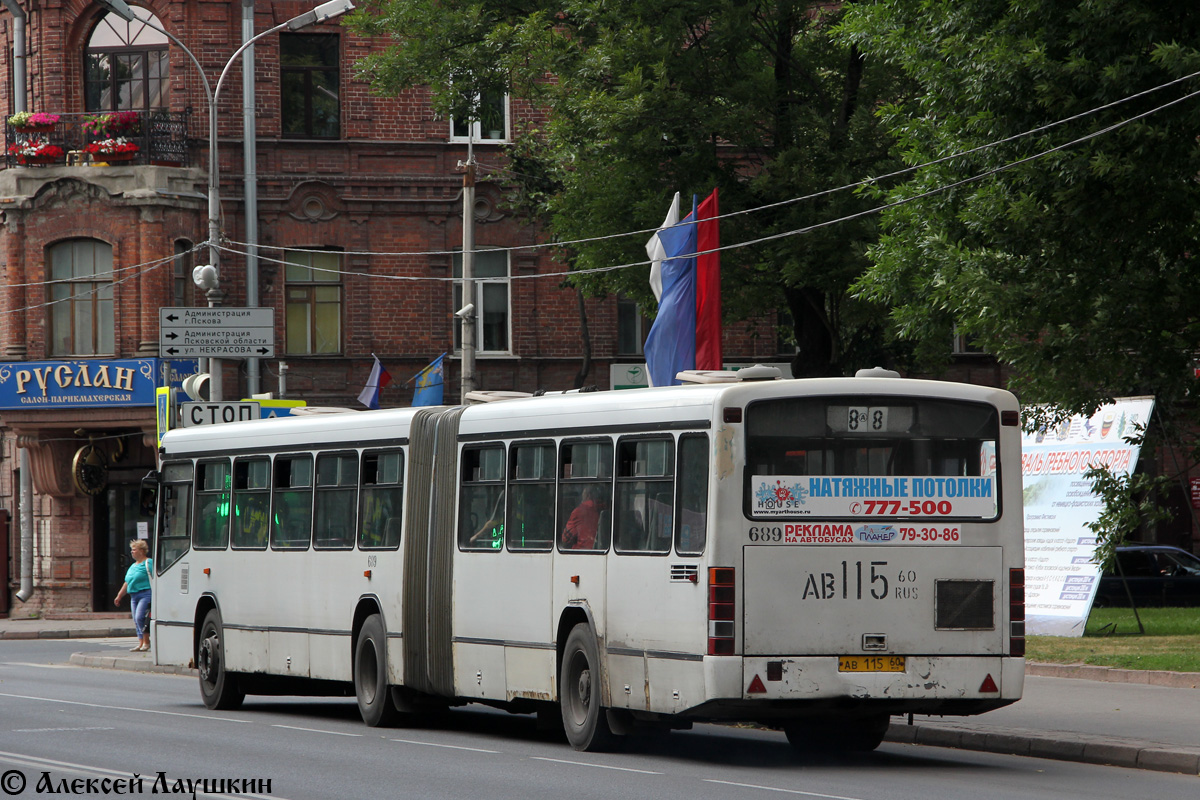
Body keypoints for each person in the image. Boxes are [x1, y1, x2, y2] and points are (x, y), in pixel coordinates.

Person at [114, 539, 153, 652]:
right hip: (134, 596)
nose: (132, 552)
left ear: (141, 551)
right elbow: (127, 582)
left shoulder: (148, 563)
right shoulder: (133, 566)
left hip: (145, 594)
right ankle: (140, 643)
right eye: (132, 550)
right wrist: (119, 595)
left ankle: (147, 641)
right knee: (136, 620)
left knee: (140, 617)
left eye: (134, 550)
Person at [562, 485, 605, 550]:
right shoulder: (604, 508)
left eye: (583, 495)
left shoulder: (578, 512)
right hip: (600, 549)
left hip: (581, 551)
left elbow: (566, 538)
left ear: (588, 495)